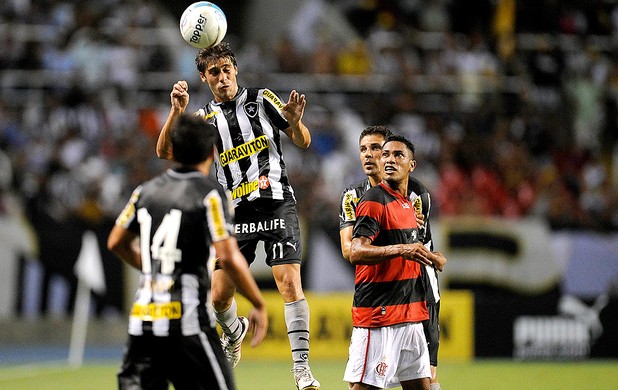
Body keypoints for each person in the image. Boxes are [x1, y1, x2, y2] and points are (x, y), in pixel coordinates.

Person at [156, 42, 320, 390]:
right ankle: (235, 333)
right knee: (218, 297)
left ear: (236, 70)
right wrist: (175, 111)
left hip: (277, 203)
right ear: (204, 77)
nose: (222, 76)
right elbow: (166, 151)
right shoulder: (203, 119)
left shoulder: (262, 99)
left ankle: (302, 368)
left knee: (288, 282)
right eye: (214, 72)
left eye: (227, 69)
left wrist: (296, 122)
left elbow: (302, 140)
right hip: (235, 213)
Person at [108, 114, 268, 390]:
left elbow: (116, 242)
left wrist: (154, 270)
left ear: (174, 152)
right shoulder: (210, 194)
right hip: (188, 321)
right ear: (211, 152)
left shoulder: (144, 192)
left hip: (145, 319)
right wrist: (258, 303)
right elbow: (228, 256)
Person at [339, 126, 445, 389]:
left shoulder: (411, 200)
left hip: (410, 312)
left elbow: (411, 245)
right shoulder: (370, 199)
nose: (384, 158)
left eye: (395, 154)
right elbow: (355, 250)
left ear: (412, 165)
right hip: (380, 312)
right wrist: (401, 250)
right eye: (382, 153)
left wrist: (431, 257)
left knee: (427, 384)